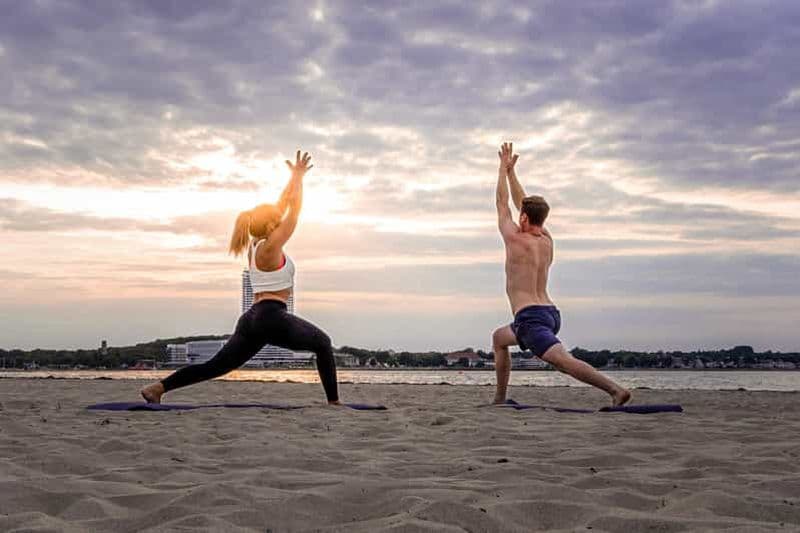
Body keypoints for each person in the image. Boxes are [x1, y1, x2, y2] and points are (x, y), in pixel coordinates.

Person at [140, 150, 340, 405]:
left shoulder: (256, 243)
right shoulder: (270, 248)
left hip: (251, 320)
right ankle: (334, 403)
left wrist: (292, 178)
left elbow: (282, 205)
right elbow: (294, 211)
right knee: (323, 343)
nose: (279, 223)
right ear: (270, 227)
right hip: (271, 316)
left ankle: (158, 388)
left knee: (216, 366)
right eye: (275, 222)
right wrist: (300, 180)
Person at [491, 142, 631, 407]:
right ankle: (499, 398)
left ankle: (615, 390)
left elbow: (502, 203)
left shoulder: (515, 239)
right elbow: (524, 205)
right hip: (550, 313)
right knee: (499, 339)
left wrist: (501, 169)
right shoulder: (546, 239)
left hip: (530, 317)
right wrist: (512, 174)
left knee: (564, 363)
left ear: (523, 218)